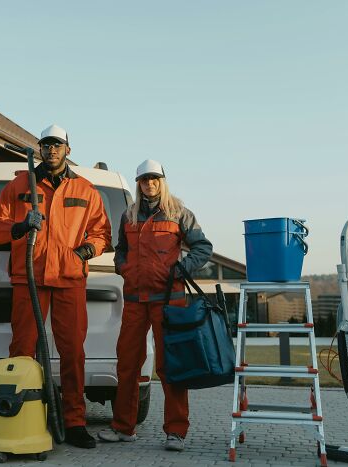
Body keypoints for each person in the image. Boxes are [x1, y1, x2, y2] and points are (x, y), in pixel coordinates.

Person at [0, 124, 111, 449]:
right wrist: (20, 226)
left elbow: (101, 233)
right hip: (30, 278)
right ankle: (25, 416)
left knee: (72, 352)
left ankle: (74, 422)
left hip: (69, 278)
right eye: (46, 145)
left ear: (68, 150)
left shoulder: (85, 189)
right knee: (23, 349)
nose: (52, 150)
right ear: (39, 149)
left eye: (57, 145)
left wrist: (84, 251)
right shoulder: (19, 185)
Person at [98, 159, 213, 451]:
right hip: (136, 300)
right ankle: (124, 427)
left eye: (154, 178)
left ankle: (175, 432)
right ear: (137, 184)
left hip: (168, 300)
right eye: (143, 179)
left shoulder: (179, 213)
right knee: (127, 364)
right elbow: (120, 251)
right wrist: (124, 268)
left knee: (170, 366)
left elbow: (203, 247)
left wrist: (181, 268)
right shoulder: (129, 215)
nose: (149, 183)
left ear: (162, 180)